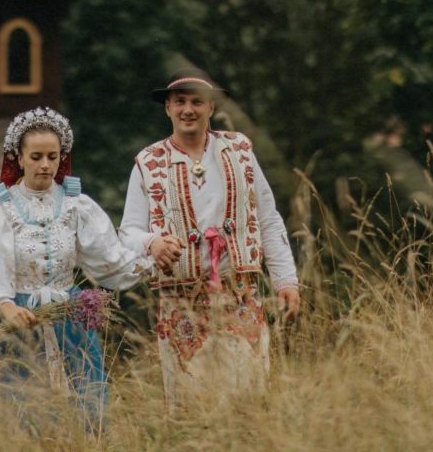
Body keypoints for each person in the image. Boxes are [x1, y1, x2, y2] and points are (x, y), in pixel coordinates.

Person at [0, 107, 153, 433]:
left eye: (52, 156)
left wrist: (150, 260)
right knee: (19, 412)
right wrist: (5, 306)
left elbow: (109, 259)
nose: (46, 165)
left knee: (84, 406)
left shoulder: (77, 205)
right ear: (18, 158)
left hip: (69, 319)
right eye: (36, 156)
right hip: (18, 324)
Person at [119, 71, 300, 404]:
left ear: (211, 107)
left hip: (239, 295)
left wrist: (285, 280)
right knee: (191, 404)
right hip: (180, 304)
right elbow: (127, 232)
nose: (189, 110)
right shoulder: (148, 163)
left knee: (248, 400)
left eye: (197, 102)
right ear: (168, 109)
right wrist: (152, 244)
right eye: (180, 102)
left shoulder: (240, 151)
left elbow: (268, 218)